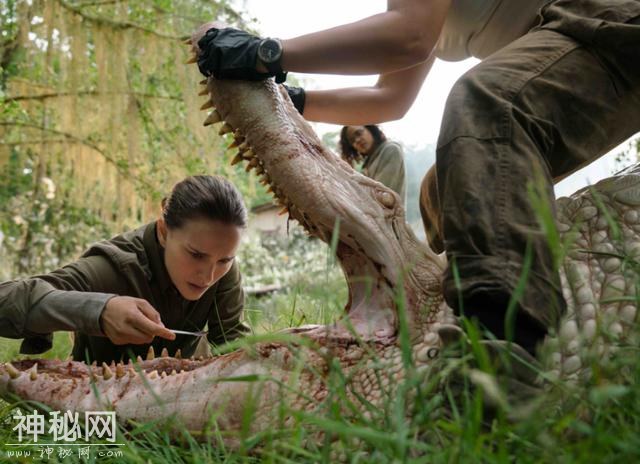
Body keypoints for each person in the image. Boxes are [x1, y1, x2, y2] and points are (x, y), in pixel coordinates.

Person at [190, 0, 640, 357]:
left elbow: (407, 37)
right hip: (568, 43)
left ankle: (500, 349)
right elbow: (390, 97)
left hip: (607, 18)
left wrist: (265, 53)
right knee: (443, 190)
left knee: (487, 102)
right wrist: (293, 100)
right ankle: (449, 308)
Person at [0, 175, 249, 363]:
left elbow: (234, 349)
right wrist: (100, 311)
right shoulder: (111, 267)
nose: (209, 276)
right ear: (163, 231)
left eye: (225, 260)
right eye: (195, 255)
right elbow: (5, 300)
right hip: (96, 413)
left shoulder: (223, 270)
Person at [339, 125, 406, 204]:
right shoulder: (369, 162)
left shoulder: (390, 150)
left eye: (359, 133)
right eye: (352, 140)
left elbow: (381, 194)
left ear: (370, 129)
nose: (357, 140)